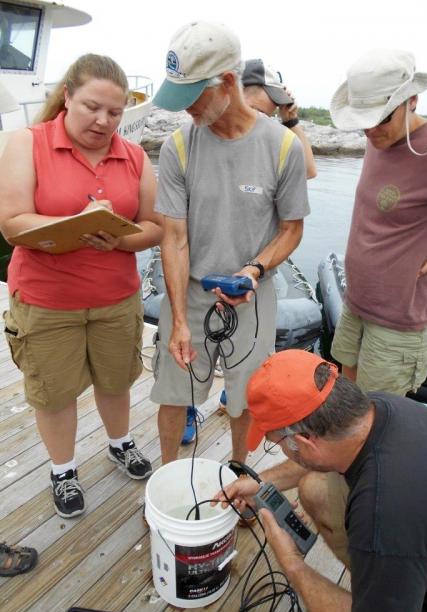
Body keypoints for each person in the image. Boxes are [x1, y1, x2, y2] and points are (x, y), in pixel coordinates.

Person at [216, 349, 427, 612]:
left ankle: (382, 605)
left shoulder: (383, 514)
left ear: (304, 441)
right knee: (315, 489)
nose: (279, 449)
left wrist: (292, 563)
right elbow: (319, 459)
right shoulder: (379, 407)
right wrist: (262, 481)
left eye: (276, 442)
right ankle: (381, 596)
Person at [0, 54, 162, 518]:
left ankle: (119, 442)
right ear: (67, 95)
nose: (104, 121)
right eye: (92, 107)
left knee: (115, 380)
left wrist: (119, 238)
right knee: (54, 392)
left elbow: (153, 226)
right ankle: (63, 469)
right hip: (47, 301)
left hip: (116, 298)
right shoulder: (27, 144)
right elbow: (12, 223)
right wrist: (76, 223)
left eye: (114, 112)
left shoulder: (131, 154)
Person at [150, 21, 309, 465]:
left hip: (252, 294)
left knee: (247, 396)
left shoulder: (283, 147)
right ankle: (168, 477)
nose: (186, 111)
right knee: (173, 392)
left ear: (225, 83)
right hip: (190, 291)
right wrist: (179, 318)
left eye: (192, 98)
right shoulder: (178, 147)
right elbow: (175, 238)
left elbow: (292, 229)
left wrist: (255, 269)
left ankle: (240, 471)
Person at [327, 49, 427, 396]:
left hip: (400, 320)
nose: (369, 130)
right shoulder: (378, 137)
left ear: (412, 100)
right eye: (362, 120)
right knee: (347, 398)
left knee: (377, 415)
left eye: (381, 118)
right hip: (357, 302)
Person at [242, 58, 317, 179]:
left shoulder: (267, 140)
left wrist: (291, 120)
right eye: (255, 111)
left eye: (267, 116)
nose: (260, 120)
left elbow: (308, 171)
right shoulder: (205, 133)